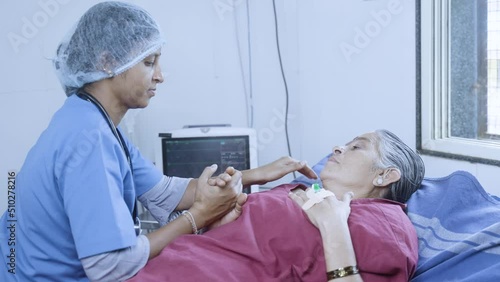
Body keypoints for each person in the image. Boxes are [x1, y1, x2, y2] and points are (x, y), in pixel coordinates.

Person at [0, 2, 316, 281]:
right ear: (108, 62)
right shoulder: (89, 138)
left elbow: (165, 192)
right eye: (149, 62)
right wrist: (199, 218)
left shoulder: (93, 119)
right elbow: (109, 266)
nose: (160, 76)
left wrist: (255, 174)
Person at [126, 129, 425, 282]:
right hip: (163, 268)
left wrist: (333, 227)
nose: (338, 148)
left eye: (356, 146)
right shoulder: (299, 190)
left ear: (386, 175)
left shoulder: (384, 224)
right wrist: (219, 220)